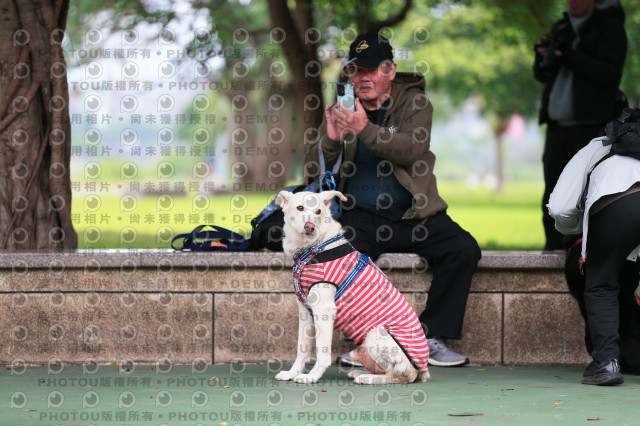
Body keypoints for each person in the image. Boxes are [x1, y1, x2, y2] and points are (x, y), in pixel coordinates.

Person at [305, 33, 481, 367]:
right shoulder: (344, 107)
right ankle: (368, 344)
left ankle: (429, 337)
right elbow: (314, 173)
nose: (363, 78)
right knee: (341, 260)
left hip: (414, 214)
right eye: (356, 70)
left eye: (372, 70)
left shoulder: (416, 103)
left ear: (390, 70)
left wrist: (364, 129)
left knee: (463, 249)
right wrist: (330, 140)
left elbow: (410, 149)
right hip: (361, 215)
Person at [548, 126, 640, 385]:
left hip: (616, 206)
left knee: (601, 283)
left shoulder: (598, 146)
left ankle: (606, 364)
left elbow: (559, 207)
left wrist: (576, 228)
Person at [534, 0, 627, 251]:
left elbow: (608, 74)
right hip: (557, 126)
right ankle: (553, 251)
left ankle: (585, 253)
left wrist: (569, 55)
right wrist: (541, 55)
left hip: (590, 126)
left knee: (587, 193)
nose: (572, 1)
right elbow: (542, 75)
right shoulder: (561, 27)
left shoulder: (609, 28)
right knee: (552, 192)